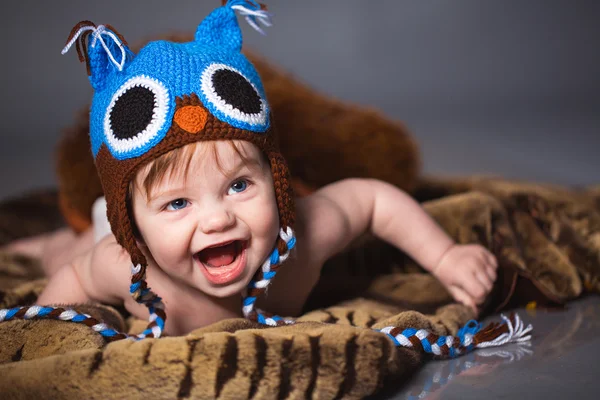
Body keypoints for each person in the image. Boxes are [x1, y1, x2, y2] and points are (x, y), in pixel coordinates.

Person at [3, 1, 497, 338]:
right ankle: (48, 237)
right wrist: (42, 327)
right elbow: (74, 282)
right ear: (132, 228)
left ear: (273, 178)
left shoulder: (304, 234)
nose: (217, 220)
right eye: (178, 203)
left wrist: (447, 255)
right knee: (69, 248)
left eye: (239, 185)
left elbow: (373, 200)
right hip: (99, 234)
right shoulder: (128, 268)